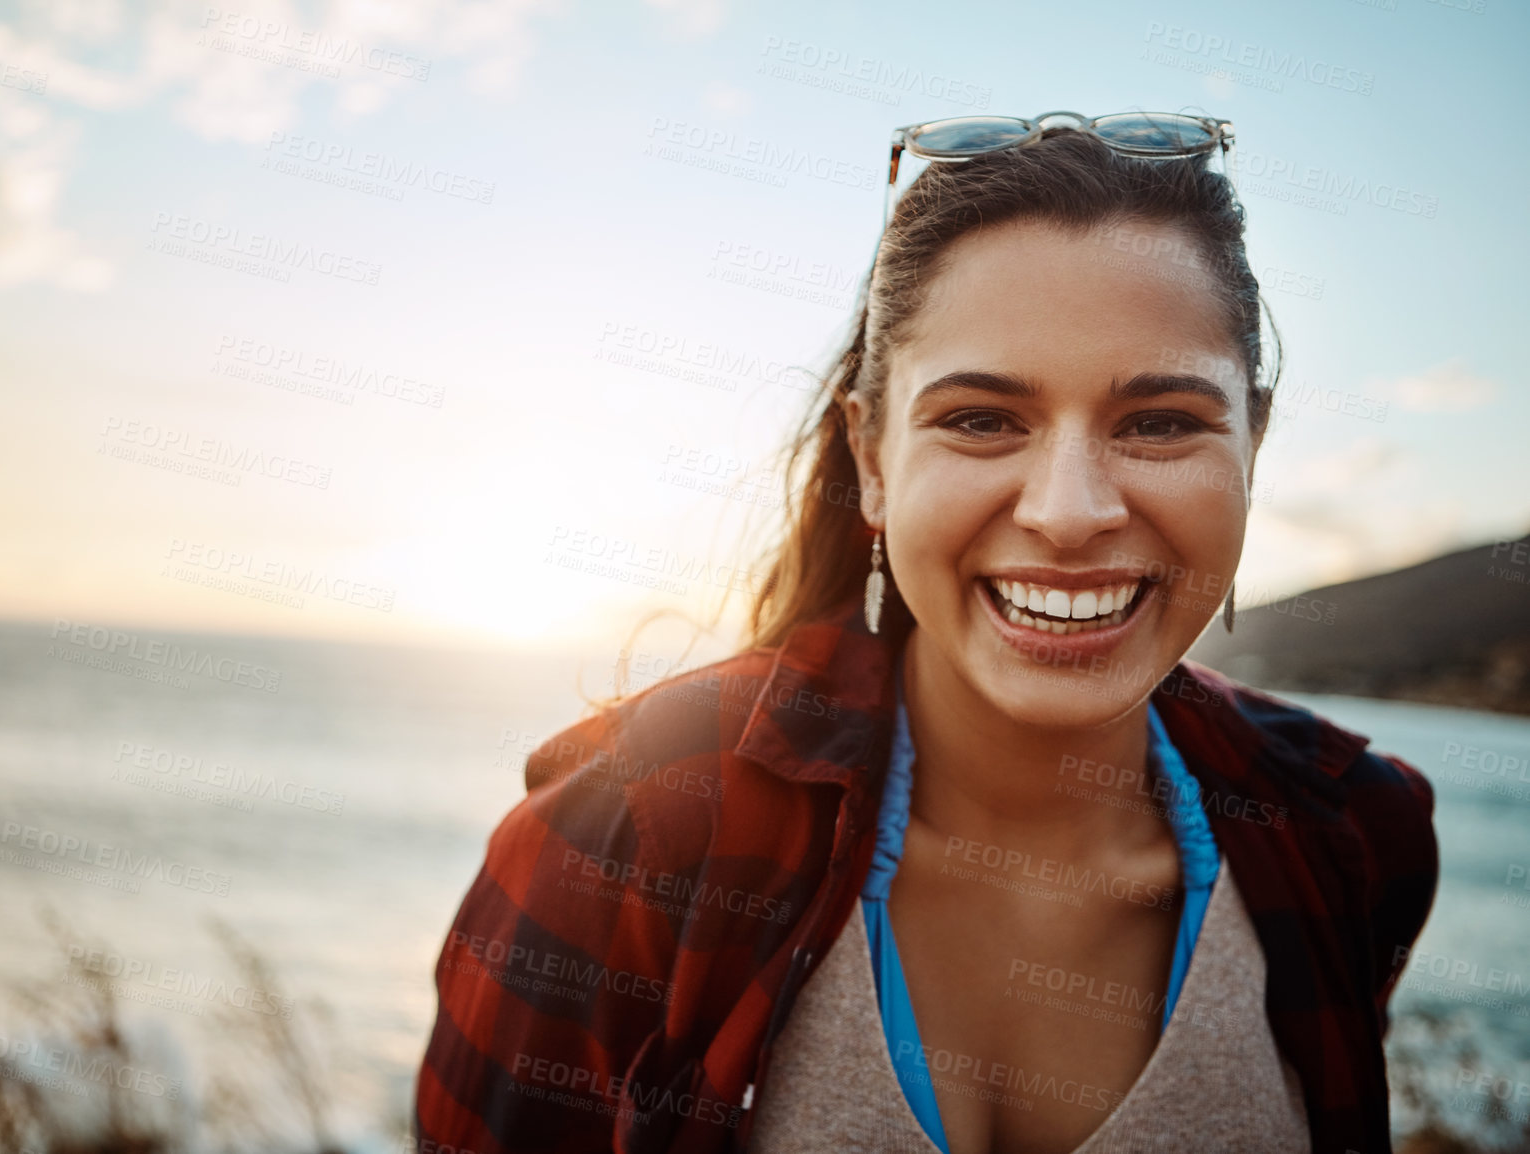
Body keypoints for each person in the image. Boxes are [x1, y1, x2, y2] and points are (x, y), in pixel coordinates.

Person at [414, 112, 1439, 1154]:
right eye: (982, 418)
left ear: (1251, 449)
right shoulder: (630, 835)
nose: (1070, 509)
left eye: (1161, 421)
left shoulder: (1354, 833)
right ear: (871, 455)